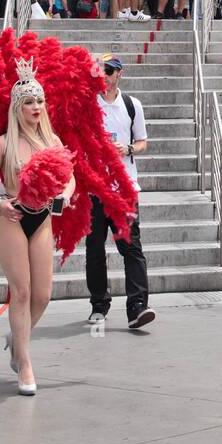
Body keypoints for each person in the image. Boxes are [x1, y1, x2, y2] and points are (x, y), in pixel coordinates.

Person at [0, 59, 75, 393]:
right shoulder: (2, 144)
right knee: (20, 292)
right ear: (17, 107)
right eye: (29, 102)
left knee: (43, 295)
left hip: (43, 217)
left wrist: (64, 194)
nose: (36, 107)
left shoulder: (53, 140)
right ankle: (26, 364)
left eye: (40, 101)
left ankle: (17, 340)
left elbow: (70, 177)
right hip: (13, 216)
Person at [85, 54, 154, 329]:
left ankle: (138, 306)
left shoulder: (131, 105)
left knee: (131, 247)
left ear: (119, 74)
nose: (105, 75)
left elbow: (142, 143)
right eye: (101, 71)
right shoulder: (89, 104)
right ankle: (99, 303)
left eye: (110, 71)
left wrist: (126, 149)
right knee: (94, 249)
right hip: (95, 189)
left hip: (124, 187)